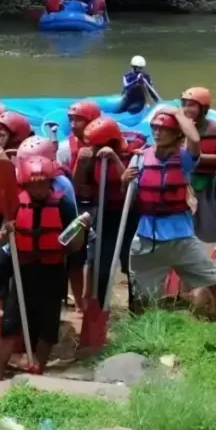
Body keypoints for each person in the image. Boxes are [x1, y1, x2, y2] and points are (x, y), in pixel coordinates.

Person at [123, 107, 216, 320]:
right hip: (146, 236)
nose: (157, 133)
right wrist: (124, 181)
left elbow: (194, 140)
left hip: (180, 236)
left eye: (164, 129)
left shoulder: (185, 159)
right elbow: (130, 198)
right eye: (155, 128)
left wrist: (178, 114)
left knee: (211, 280)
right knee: (141, 292)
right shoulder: (140, 158)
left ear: (176, 134)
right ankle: (142, 330)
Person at [0, 156, 83, 379]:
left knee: (48, 323)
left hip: (52, 272)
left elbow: (75, 247)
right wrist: (4, 233)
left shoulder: (64, 205)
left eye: (43, 183)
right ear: (25, 183)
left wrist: (79, 230)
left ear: (50, 182)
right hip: (23, 271)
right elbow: (1, 240)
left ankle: (38, 367)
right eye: (34, 184)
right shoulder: (14, 203)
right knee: (10, 324)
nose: (39, 188)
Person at [74, 116, 138, 309]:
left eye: (96, 146)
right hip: (104, 214)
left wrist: (114, 158)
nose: (93, 149)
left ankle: (136, 309)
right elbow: (80, 188)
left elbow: (130, 188)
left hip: (129, 215)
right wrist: (80, 163)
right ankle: (100, 309)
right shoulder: (90, 156)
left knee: (130, 266)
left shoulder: (134, 153)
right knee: (101, 268)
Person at [63, 101, 102, 309]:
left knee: (94, 258)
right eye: (70, 120)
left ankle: (91, 299)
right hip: (75, 208)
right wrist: (80, 163)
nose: (73, 124)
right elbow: (69, 187)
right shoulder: (64, 149)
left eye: (78, 120)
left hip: (99, 207)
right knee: (75, 258)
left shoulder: (107, 147)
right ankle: (79, 303)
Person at [180, 87, 216, 250]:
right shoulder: (178, 128)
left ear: (204, 109)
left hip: (209, 185)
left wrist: (194, 158)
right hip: (186, 184)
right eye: (185, 104)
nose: (187, 109)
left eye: (192, 105)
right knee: (183, 233)